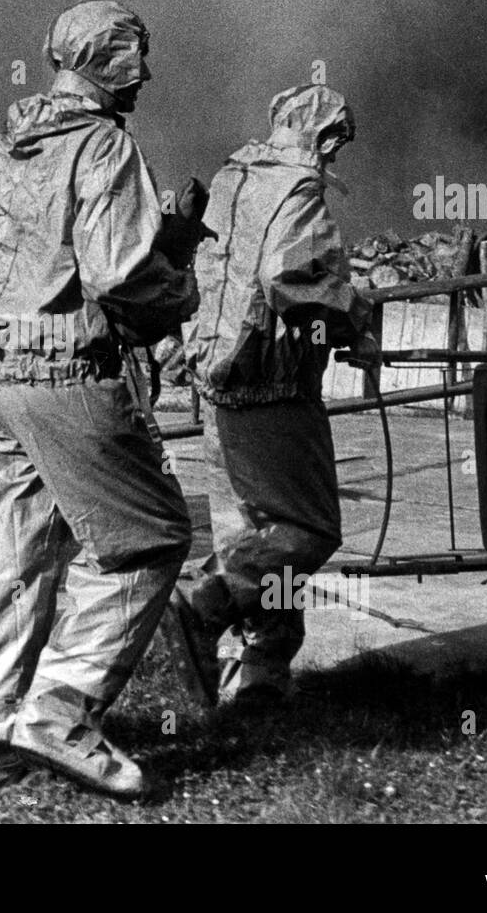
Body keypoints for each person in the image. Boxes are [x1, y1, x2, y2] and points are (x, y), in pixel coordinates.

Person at [0, 0, 207, 799]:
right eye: (136, 55)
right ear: (101, 59)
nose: (145, 73)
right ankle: (60, 709)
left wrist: (16, 278)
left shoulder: (7, 142)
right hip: (63, 373)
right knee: (148, 538)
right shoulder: (104, 145)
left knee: (4, 555)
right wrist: (177, 282)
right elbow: (123, 276)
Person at [161, 84, 379, 710]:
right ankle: (206, 604)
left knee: (249, 528)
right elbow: (293, 277)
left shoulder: (232, 178)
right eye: (338, 143)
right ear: (329, 136)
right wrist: (354, 317)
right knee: (306, 529)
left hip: (220, 377)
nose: (336, 155)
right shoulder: (297, 189)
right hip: (275, 383)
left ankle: (257, 669)